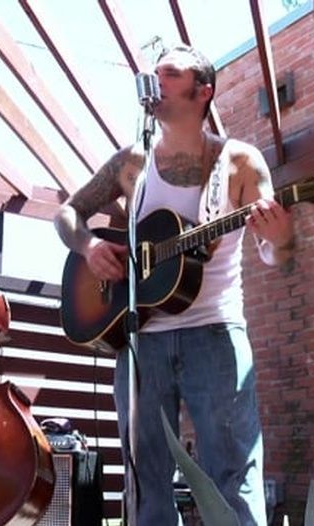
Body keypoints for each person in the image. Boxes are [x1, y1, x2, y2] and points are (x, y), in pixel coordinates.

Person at [53, 44, 295, 525]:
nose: (154, 82)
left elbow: (275, 255)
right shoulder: (131, 164)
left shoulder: (239, 162)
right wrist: (88, 249)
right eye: (153, 74)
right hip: (140, 339)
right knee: (145, 478)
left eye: (169, 75)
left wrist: (281, 237)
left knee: (233, 471)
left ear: (202, 91)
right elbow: (67, 213)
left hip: (216, 334)